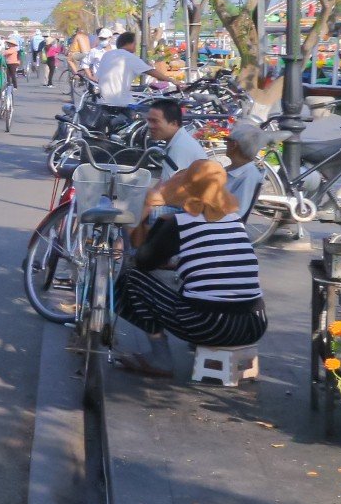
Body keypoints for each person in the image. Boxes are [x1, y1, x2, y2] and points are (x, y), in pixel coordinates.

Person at [113, 159, 266, 376]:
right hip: (255, 323)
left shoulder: (179, 223)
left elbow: (143, 261)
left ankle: (160, 358)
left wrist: (148, 210)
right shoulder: (234, 220)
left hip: (210, 325)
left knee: (131, 278)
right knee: (199, 291)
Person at [96, 31, 173, 109]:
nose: (136, 46)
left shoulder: (107, 55)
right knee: (146, 112)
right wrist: (173, 81)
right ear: (129, 43)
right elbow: (153, 72)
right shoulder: (129, 57)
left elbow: (101, 77)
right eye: (135, 43)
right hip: (121, 103)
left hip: (103, 102)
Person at [146, 97, 214, 177]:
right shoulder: (179, 140)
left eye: (155, 121)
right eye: (149, 121)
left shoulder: (180, 148)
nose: (150, 126)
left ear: (174, 123)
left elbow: (173, 187)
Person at [225, 121, 270, 219]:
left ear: (234, 145)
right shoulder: (234, 169)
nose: (225, 143)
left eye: (227, 140)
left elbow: (237, 212)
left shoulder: (249, 175)